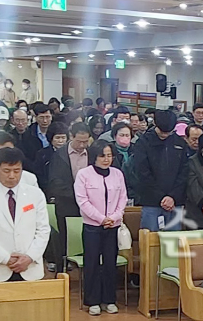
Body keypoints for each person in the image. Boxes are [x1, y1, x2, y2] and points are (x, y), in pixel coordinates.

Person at [0, 148, 51, 282]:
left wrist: (29, 257)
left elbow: (43, 230)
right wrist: (5, 258)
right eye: (6, 171)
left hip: (30, 268)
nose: (12, 176)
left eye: (17, 171)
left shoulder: (35, 194)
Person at [73, 140, 126, 315]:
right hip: (92, 227)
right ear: (94, 156)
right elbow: (83, 201)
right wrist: (101, 219)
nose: (106, 159)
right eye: (102, 156)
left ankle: (109, 299)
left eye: (109, 155)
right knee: (92, 263)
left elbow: (123, 199)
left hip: (113, 226)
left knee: (110, 263)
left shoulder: (117, 174)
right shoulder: (83, 174)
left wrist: (114, 217)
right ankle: (93, 301)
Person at [131, 110, 189, 231]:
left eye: (168, 132)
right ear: (155, 124)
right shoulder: (143, 142)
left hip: (175, 202)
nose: (165, 135)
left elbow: (184, 172)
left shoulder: (180, 143)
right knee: (150, 238)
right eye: (162, 132)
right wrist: (161, 197)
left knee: (173, 240)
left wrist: (172, 196)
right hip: (151, 201)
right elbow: (142, 172)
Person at [48, 122, 93, 266]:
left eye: (85, 141)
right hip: (66, 204)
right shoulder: (59, 155)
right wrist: (77, 194)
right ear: (71, 136)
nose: (82, 145)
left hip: (89, 205)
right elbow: (55, 182)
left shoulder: (92, 154)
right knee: (65, 239)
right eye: (79, 141)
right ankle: (63, 266)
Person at [33, 122, 69, 193]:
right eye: (57, 138)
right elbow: (38, 173)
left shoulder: (70, 153)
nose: (60, 141)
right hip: (47, 189)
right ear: (51, 138)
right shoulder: (42, 154)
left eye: (63, 138)